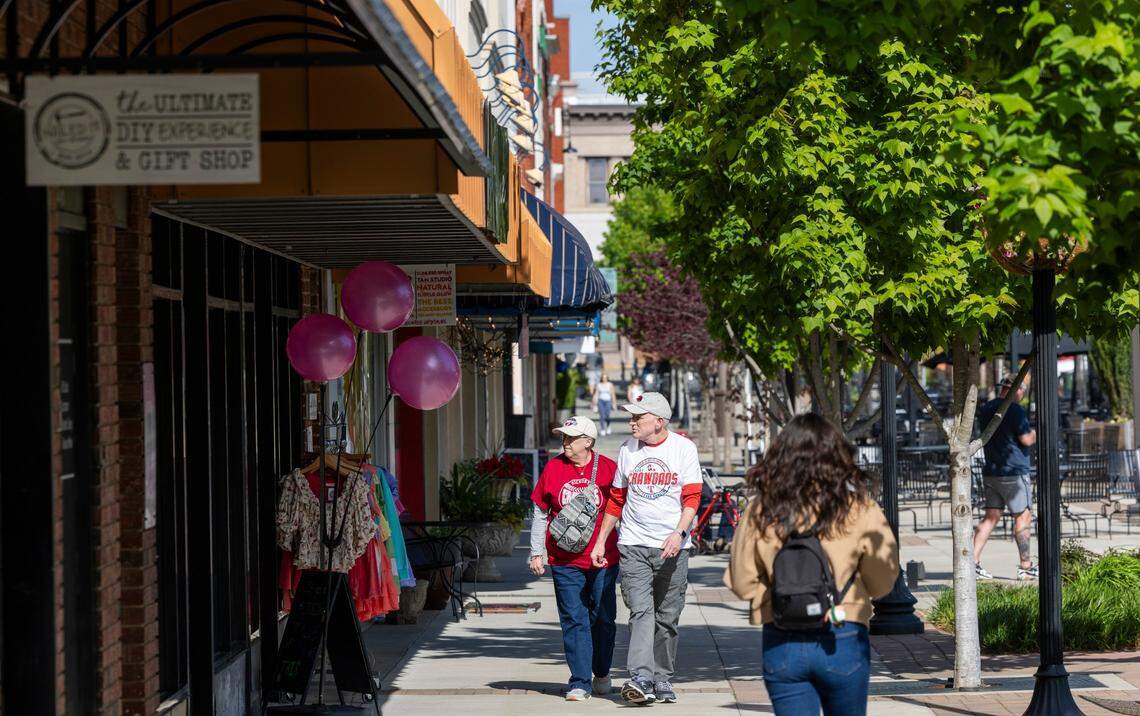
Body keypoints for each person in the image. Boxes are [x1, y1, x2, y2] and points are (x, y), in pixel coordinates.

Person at [724, 413, 899, 716]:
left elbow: (741, 582)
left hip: (782, 633)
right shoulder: (858, 508)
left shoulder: (760, 510)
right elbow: (883, 580)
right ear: (836, 456)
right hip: (842, 632)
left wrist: (781, 592)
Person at [589, 392, 702, 705]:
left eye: (638, 417)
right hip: (634, 544)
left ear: (659, 422)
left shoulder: (684, 449)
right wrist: (601, 540)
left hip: (672, 547)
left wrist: (679, 533)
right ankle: (640, 677)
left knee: (667, 617)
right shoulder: (628, 449)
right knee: (641, 612)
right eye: (632, 417)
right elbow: (616, 499)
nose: (632, 422)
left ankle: (662, 678)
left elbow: (692, 497)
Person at [529, 416, 620, 701]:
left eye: (571, 438)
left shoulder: (608, 469)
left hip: (602, 557)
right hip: (563, 558)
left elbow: (621, 510)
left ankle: (601, 671)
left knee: (603, 617)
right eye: (564, 438)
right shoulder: (554, 467)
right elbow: (541, 512)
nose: (565, 442)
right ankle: (580, 681)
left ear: (588, 442)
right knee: (573, 618)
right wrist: (536, 552)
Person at [973, 374, 1038, 580]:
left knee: (991, 517)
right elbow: (1026, 440)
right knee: (1023, 516)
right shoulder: (1016, 410)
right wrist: (1037, 432)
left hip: (991, 471)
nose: (1022, 396)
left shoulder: (986, 409)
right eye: (1022, 392)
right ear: (1017, 390)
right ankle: (1026, 566)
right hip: (1014, 473)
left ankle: (972, 563)